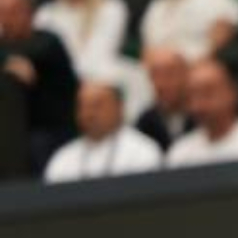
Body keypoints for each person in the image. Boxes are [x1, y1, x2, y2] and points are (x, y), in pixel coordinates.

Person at [1, 0, 80, 173]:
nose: (6, 19)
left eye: (12, 13)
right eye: (2, 13)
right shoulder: (4, 49)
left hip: (52, 129)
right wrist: (6, 61)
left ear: (29, 14)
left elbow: (36, 56)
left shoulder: (48, 41)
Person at [165, 55, 238, 166]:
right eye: (191, 96)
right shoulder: (179, 154)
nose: (198, 105)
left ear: (231, 92)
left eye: (207, 93)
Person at [44, 78, 162, 179]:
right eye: (83, 106)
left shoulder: (142, 150)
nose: (89, 113)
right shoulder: (63, 159)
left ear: (119, 107)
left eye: (96, 105)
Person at [137, 0, 238, 61]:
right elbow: (147, 51)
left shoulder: (219, 3)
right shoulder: (156, 8)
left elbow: (219, 39)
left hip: (198, 65)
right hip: (162, 69)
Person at [135, 45, 194, 148]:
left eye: (169, 74)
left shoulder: (204, 114)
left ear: (187, 74)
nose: (161, 83)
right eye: (154, 75)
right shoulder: (145, 122)